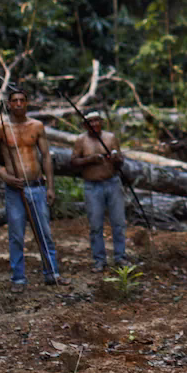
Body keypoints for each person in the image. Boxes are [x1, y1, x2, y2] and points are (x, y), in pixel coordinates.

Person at [0, 87, 67, 291]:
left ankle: (52, 273)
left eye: (22, 100)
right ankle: (18, 278)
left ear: (27, 103)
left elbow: (46, 156)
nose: (19, 104)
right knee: (16, 234)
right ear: (9, 104)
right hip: (15, 190)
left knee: (44, 232)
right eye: (15, 101)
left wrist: (51, 186)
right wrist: (5, 176)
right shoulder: (0, 128)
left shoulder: (37, 126)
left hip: (37, 187)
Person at [71, 111, 128, 272]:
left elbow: (120, 161)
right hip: (92, 186)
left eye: (97, 121)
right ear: (85, 125)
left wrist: (116, 159)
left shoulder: (111, 138)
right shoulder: (81, 140)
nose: (94, 124)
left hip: (112, 183)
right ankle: (99, 260)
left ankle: (120, 257)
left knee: (118, 222)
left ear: (101, 122)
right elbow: (73, 161)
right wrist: (90, 159)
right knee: (95, 225)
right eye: (90, 122)